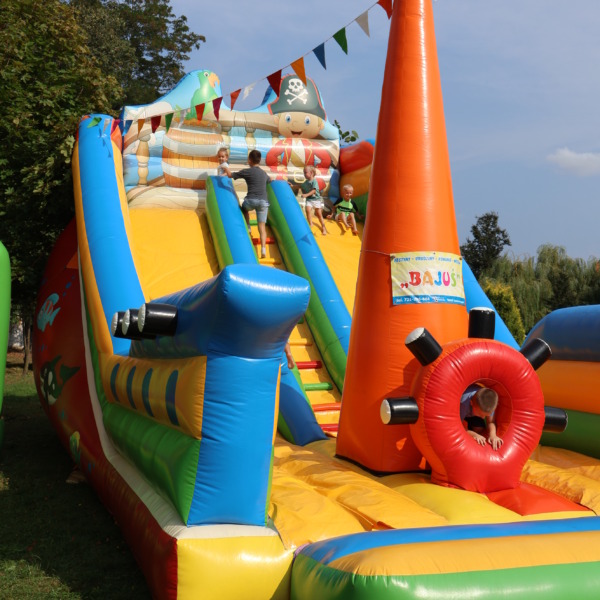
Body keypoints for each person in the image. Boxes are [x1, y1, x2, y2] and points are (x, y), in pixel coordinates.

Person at [225, 149, 271, 258]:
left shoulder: (247, 171)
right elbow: (271, 180)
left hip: (251, 201)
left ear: (250, 160)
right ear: (259, 160)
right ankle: (263, 249)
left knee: (244, 209)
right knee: (262, 227)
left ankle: (248, 226)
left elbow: (230, 175)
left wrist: (224, 166)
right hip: (263, 202)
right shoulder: (264, 173)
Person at [460, 384, 503, 450]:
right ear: (471, 403)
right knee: (471, 431)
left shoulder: (489, 404)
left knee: (479, 429)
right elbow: (458, 425)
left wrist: (493, 435)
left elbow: (491, 422)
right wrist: (473, 434)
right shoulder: (463, 404)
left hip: (474, 412)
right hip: (462, 411)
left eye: (486, 415)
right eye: (481, 414)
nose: (483, 418)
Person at [300, 165, 327, 235]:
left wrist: (306, 195)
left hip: (316, 200)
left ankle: (323, 227)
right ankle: (310, 224)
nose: (304, 174)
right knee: (308, 210)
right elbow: (300, 186)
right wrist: (292, 186)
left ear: (311, 173)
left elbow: (314, 191)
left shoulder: (314, 181)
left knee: (319, 214)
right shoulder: (306, 182)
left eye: (305, 172)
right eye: (303, 173)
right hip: (309, 200)